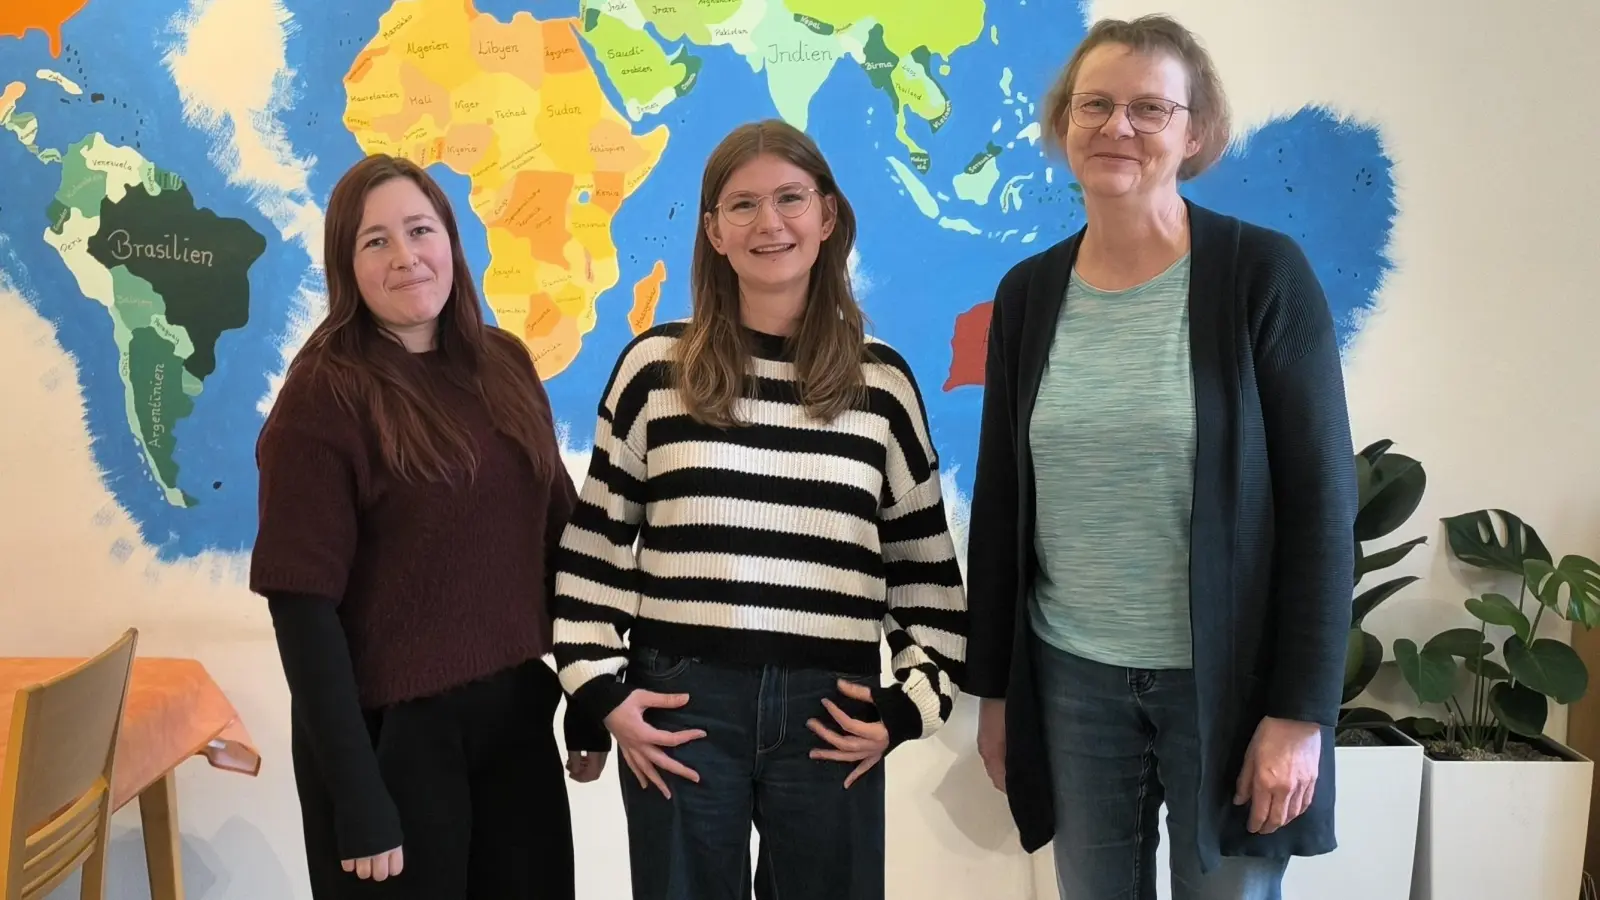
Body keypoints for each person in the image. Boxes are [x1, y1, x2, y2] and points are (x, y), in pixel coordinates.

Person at [962, 14, 1357, 900]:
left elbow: (1324, 506)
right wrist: (997, 693)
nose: (1119, 127)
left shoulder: (1263, 277)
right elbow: (1003, 503)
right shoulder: (1028, 294)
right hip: (1072, 680)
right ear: (1064, 122)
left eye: (1150, 108)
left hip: (1229, 683)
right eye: (1095, 104)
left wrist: (1300, 715)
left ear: (1195, 132)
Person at [550, 118, 967, 900]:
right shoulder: (655, 371)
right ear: (713, 231)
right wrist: (601, 691)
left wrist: (908, 708)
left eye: (790, 198)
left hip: (832, 710)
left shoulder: (881, 387)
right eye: (742, 205)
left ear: (827, 216)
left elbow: (927, 579)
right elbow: (594, 554)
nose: (768, 222)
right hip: (681, 704)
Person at [248, 153, 610, 899]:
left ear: (450, 238)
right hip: (393, 744)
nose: (405, 256)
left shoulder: (504, 365)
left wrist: (589, 695)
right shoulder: (324, 395)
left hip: (514, 722)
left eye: (419, 230)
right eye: (375, 241)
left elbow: (559, 543)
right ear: (346, 264)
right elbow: (302, 608)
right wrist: (355, 795)